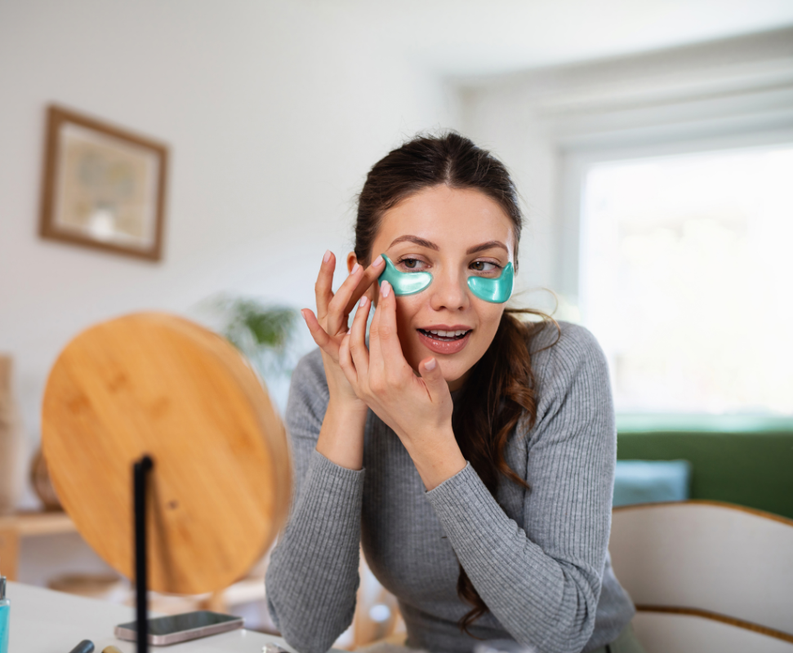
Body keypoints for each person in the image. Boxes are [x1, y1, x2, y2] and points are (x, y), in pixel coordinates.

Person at [264, 133, 644, 653]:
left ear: (510, 273)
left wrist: (429, 437)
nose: (451, 298)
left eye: (483, 265)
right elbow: (306, 633)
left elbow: (563, 630)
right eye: (415, 263)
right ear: (361, 277)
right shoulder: (321, 380)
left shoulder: (563, 364)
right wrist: (348, 401)